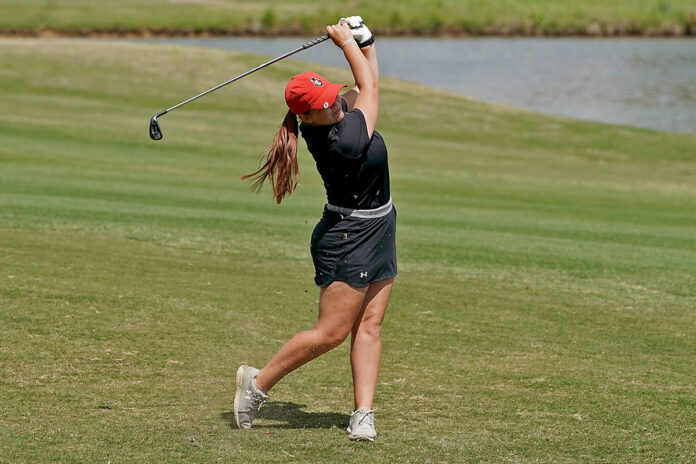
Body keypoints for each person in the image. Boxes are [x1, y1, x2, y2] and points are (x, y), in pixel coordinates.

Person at [234, 16, 395, 442]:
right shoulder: (342, 140)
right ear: (312, 115)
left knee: (372, 324)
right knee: (330, 334)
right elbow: (371, 90)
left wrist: (366, 42)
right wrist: (346, 44)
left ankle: (363, 414)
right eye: (329, 100)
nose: (338, 99)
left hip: (378, 228)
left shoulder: (337, 116)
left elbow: (368, 83)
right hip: (348, 238)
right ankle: (257, 384)